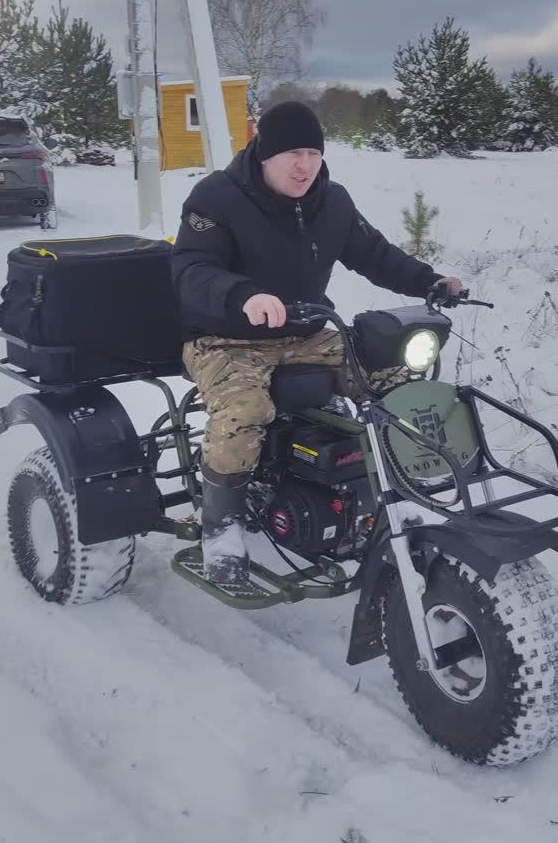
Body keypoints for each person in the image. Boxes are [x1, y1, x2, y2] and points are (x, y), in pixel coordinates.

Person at [172, 101, 465, 588]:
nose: (304, 165)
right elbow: (191, 270)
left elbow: (375, 255)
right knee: (244, 410)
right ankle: (221, 528)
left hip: (305, 332)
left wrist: (429, 281)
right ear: (264, 153)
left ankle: (400, 495)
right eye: (291, 153)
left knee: (393, 379)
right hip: (223, 339)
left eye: (312, 151)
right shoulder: (216, 198)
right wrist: (243, 295)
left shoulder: (333, 201)